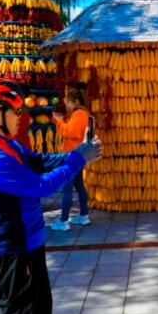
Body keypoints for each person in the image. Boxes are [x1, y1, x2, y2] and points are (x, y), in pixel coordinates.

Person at [0, 78, 102, 314]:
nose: (21, 116)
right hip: (11, 256)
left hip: (26, 249)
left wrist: (76, 153)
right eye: (16, 111)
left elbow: (39, 161)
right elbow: (41, 186)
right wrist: (78, 160)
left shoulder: (4, 144)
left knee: (40, 313)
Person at [50, 87, 91, 231]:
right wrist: (63, 120)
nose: (67, 106)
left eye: (68, 103)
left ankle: (63, 221)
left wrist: (60, 121)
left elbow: (71, 132)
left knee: (67, 188)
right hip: (80, 155)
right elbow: (86, 134)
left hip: (72, 156)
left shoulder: (79, 114)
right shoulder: (86, 114)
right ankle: (84, 215)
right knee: (79, 186)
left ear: (76, 102)